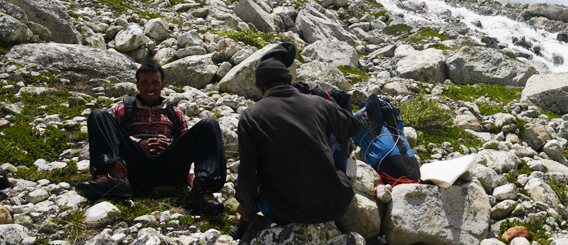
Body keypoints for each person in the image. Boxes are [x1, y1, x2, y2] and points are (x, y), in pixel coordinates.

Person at [233, 42, 360, 240]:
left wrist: (248, 209)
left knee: (246, 183)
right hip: (332, 206)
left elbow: (247, 173)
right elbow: (352, 127)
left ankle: (249, 227)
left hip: (283, 213)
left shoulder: (250, 116)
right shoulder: (318, 103)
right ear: (290, 81)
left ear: (260, 87)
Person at [75, 60, 226, 214]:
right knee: (98, 115)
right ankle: (112, 179)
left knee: (209, 124)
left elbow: (189, 150)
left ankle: (202, 191)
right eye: (145, 83)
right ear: (137, 85)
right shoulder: (120, 110)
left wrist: (171, 148)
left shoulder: (176, 114)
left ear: (163, 84)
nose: (150, 88)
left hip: (168, 168)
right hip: (133, 167)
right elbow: (110, 139)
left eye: (155, 82)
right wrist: (139, 143)